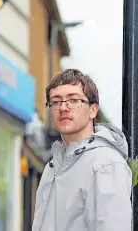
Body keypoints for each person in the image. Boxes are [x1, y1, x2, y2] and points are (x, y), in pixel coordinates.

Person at [32, 69, 132, 231]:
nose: (63, 108)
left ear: (93, 109)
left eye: (73, 100)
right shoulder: (51, 168)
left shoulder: (105, 164)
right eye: (56, 102)